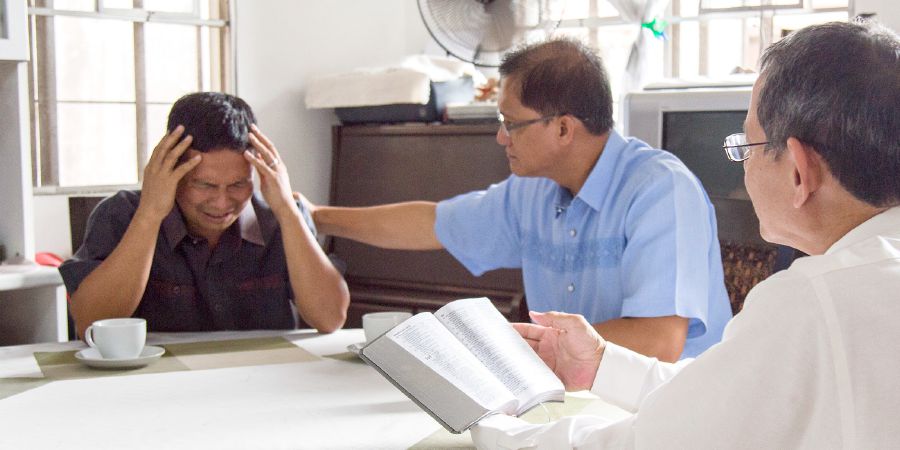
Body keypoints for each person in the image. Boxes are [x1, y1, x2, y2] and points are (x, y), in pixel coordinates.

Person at [471, 20, 900, 448]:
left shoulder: (811, 300)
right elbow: (723, 393)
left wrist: (493, 429)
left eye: (745, 146)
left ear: (798, 170)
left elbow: (650, 442)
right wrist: (600, 365)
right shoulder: (864, 278)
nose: (743, 167)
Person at [305, 39, 732, 361]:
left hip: (666, 411)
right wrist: (314, 217)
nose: (500, 137)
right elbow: (433, 224)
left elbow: (659, 342)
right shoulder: (533, 189)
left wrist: (513, 345)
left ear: (564, 129)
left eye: (511, 124)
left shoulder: (660, 191)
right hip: (574, 400)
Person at [60, 92, 349, 337]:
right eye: (204, 184)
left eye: (237, 184)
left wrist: (287, 210)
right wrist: (149, 215)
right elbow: (93, 325)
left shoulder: (281, 216)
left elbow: (330, 318)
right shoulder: (121, 214)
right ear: (171, 170)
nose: (222, 202)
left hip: (259, 385)